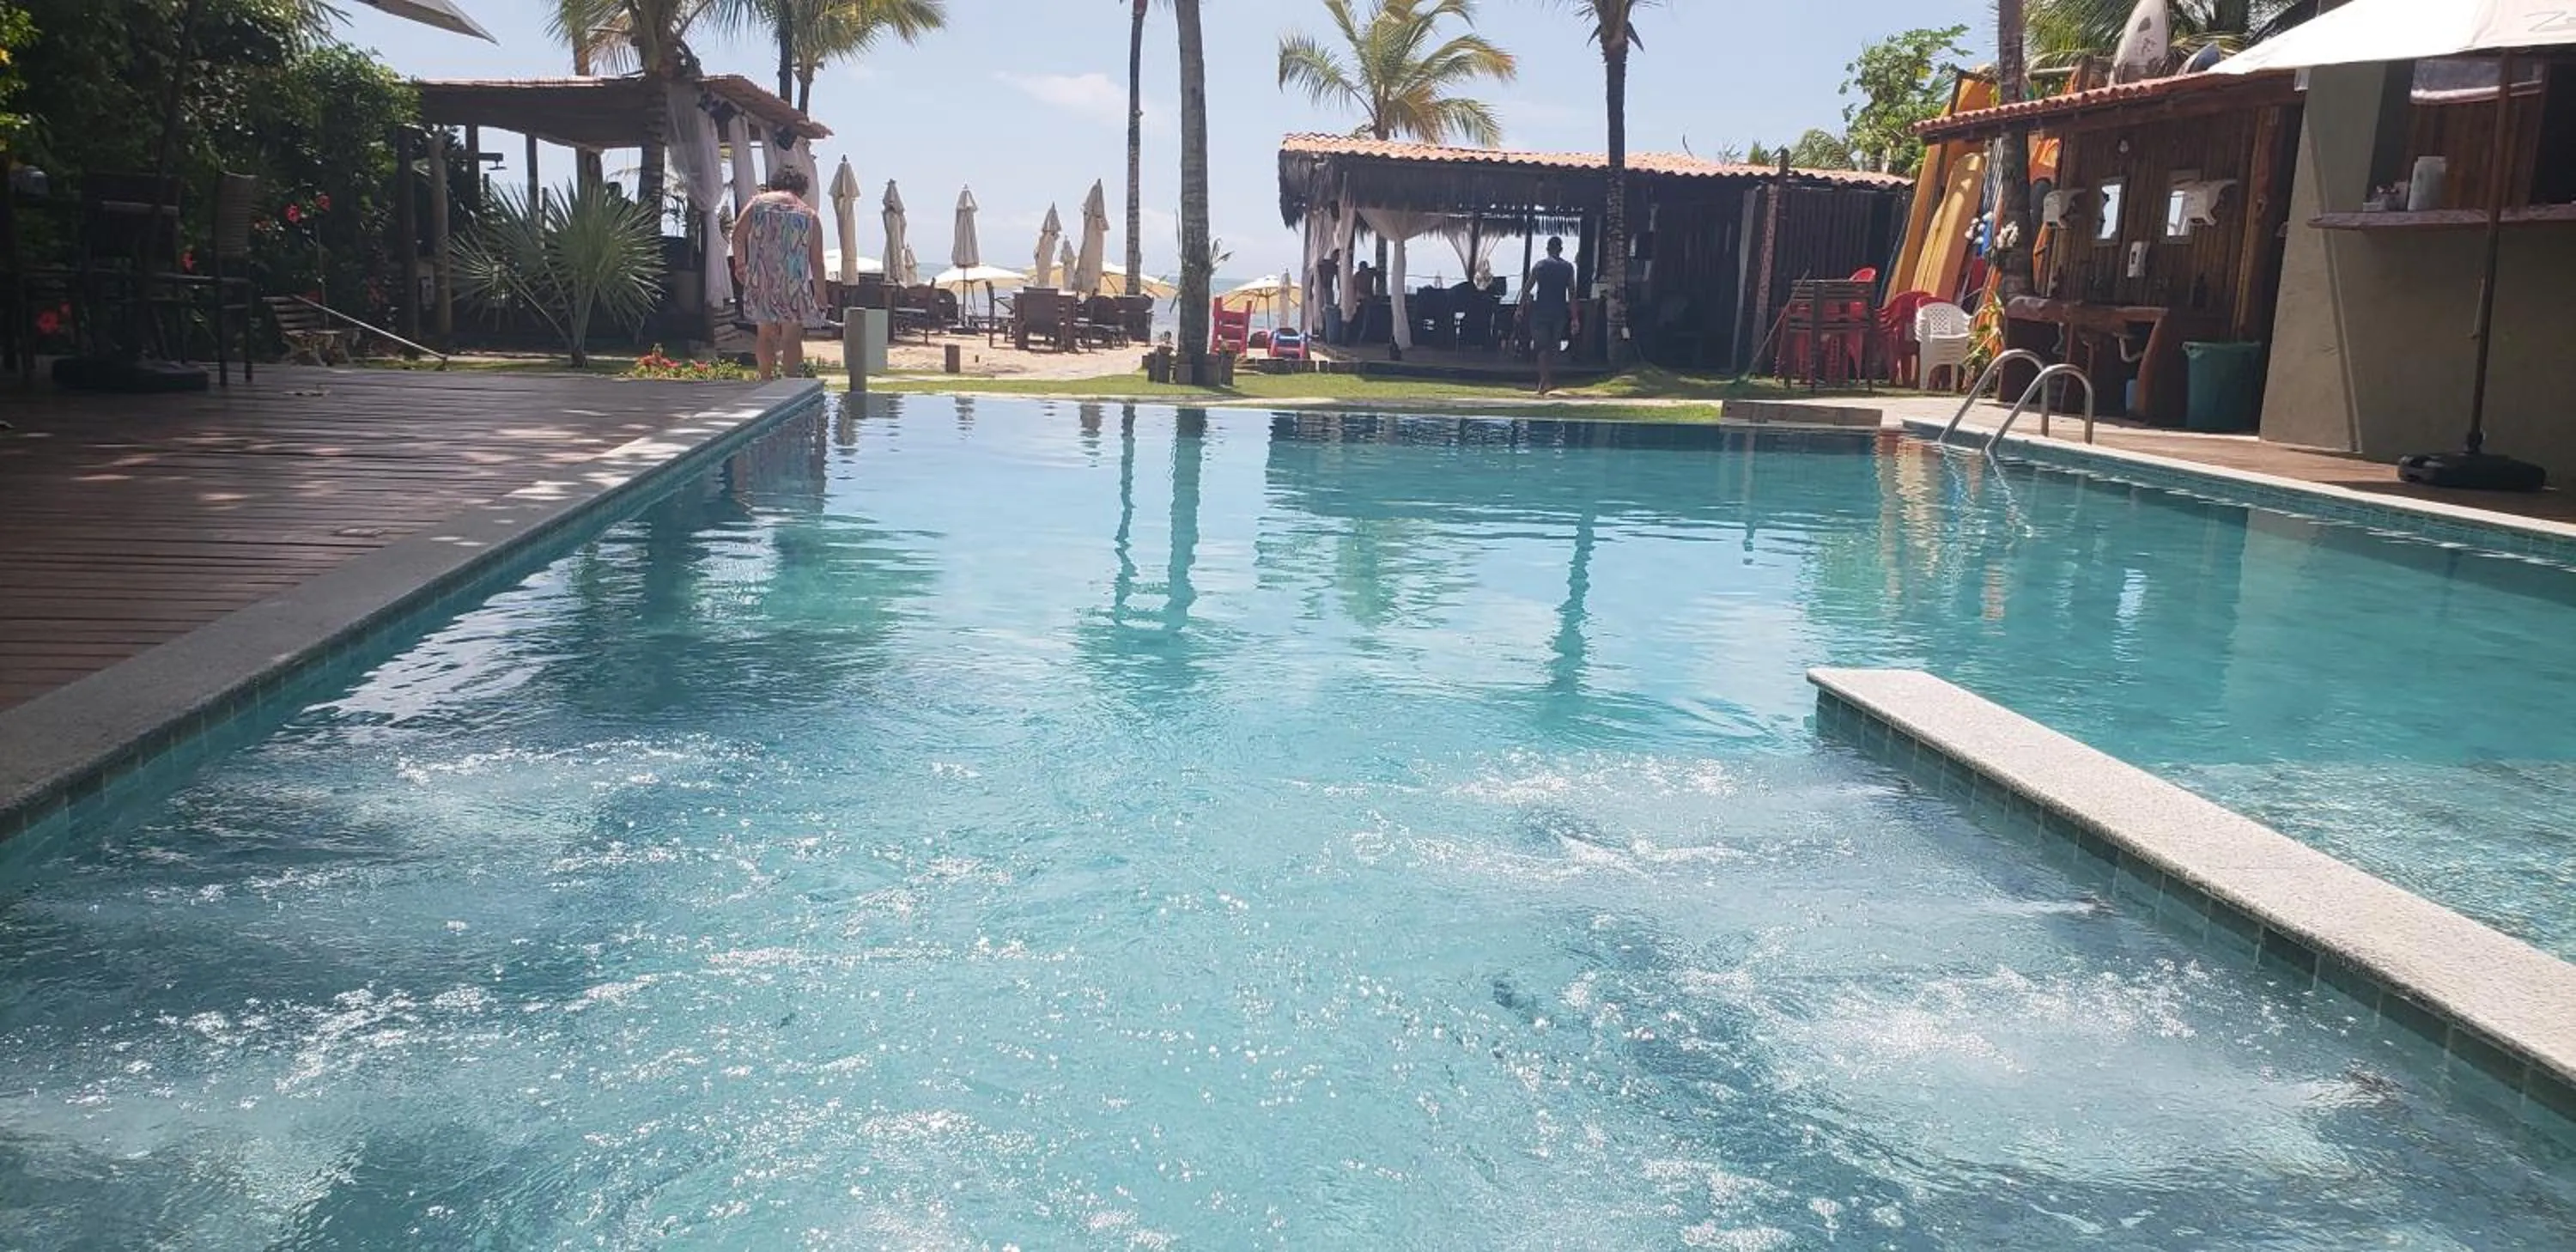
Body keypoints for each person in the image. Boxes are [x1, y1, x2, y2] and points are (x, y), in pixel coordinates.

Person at [728, 167, 827, 380]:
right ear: (801, 189)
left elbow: (737, 235)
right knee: (792, 336)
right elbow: (817, 260)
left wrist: (741, 265)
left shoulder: (757, 204)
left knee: (765, 333)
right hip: (794, 281)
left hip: (761, 277)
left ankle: (765, 379)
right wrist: (820, 293)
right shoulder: (809, 214)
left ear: (775, 184)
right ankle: (789, 383)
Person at [1525, 235, 1576, 395]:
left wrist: (1520, 309)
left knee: (1542, 347)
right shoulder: (1568, 268)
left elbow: (1527, 289)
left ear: (1548, 248)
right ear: (1560, 249)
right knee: (1553, 346)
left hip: (1541, 311)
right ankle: (1546, 380)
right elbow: (1572, 293)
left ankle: (1544, 380)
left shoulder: (1540, 266)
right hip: (1559, 311)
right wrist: (1575, 317)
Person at [1314, 250, 1341, 346]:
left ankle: (1325, 332)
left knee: (1328, 311)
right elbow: (1314, 275)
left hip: (1328, 289)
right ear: (1333, 256)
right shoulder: (1323, 264)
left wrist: (1341, 290)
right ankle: (1320, 331)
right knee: (1320, 310)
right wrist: (1310, 289)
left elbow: (1338, 280)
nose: (1337, 259)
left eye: (1338, 257)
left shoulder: (1335, 267)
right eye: (1336, 256)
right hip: (1320, 288)